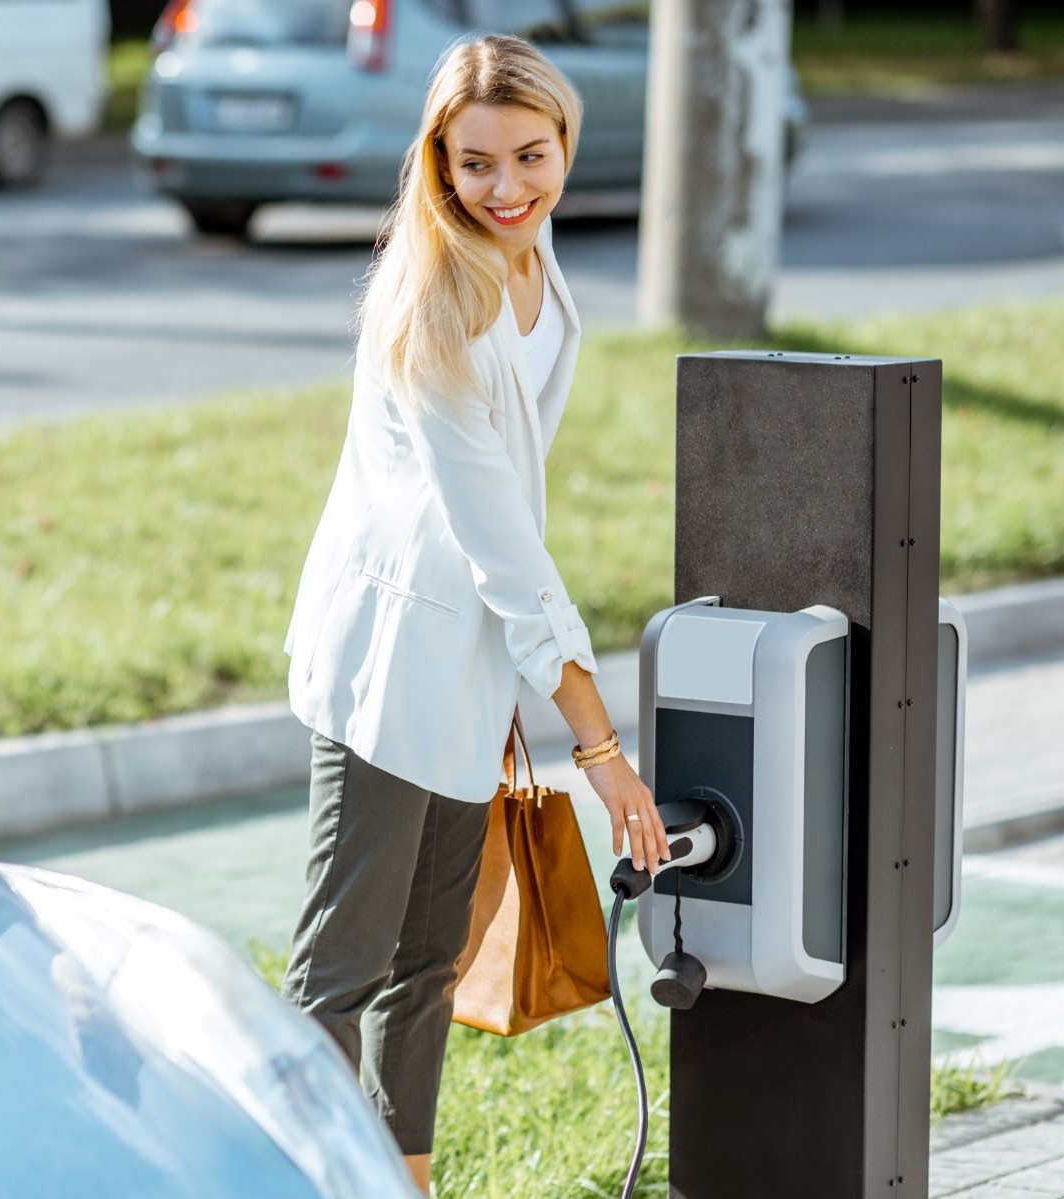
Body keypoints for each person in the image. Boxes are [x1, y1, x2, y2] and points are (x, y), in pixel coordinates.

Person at [279, 33, 672, 1194]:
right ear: (436, 161)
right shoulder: (434, 308)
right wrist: (601, 749)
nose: (504, 190)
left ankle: (404, 1180)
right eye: (474, 165)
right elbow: (503, 547)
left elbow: (512, 536)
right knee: (339, 968)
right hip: (395, 654)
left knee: (428, 961)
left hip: (472, 657)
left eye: (530, 157)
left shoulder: (535, 264)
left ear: (565, 144)